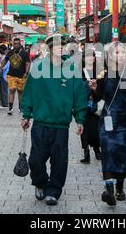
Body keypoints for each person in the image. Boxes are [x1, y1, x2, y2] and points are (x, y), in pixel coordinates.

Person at [21, 34, 87, 206]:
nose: (60, 48)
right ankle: (40, 182)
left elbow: (79, 95)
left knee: (59, 160)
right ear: (49, 49)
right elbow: (28, 93)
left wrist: (80, 119)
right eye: (57, 46)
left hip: (61, 124)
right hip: (41, 122)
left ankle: (53, 190)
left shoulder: (71, 69)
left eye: (62, 46)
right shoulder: (37, 68)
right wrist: (26, 115)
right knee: (36, 159)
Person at [89, 42, 126, 206]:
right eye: (117, 52)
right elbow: (97, 98)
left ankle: (120, 187)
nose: (121, 55)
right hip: (108, 120)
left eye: (123, 52)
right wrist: (95, 89)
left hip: (124, 122)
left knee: (123, 153)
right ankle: (109, 189)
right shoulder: (104, 74)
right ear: (110, 56)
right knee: (108, 152)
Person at [80, 47, 102, 164]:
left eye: (92, 56)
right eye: (87, 56)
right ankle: (86, 153)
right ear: (83, 58)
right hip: (83, 105)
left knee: (95, 128)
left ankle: (97, 150)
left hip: (95, 104)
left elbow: (102, 89)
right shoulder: (80, 71)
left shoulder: (99, 71)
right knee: (83, 129)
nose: (90, 58)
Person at [1, 38, 31, 115]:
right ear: (13, 44)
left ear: (20, 44)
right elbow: (5, 60)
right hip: (11, 75)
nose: (16, 45)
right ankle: (10, 109)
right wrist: (0, 67)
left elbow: (28, 63)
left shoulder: (24, 53)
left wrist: (26, 72)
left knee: (20, 92)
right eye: (15, 44)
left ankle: (20, 108)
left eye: (17, 43)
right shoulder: (10, 52)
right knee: (12, 90)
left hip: (21, 76)